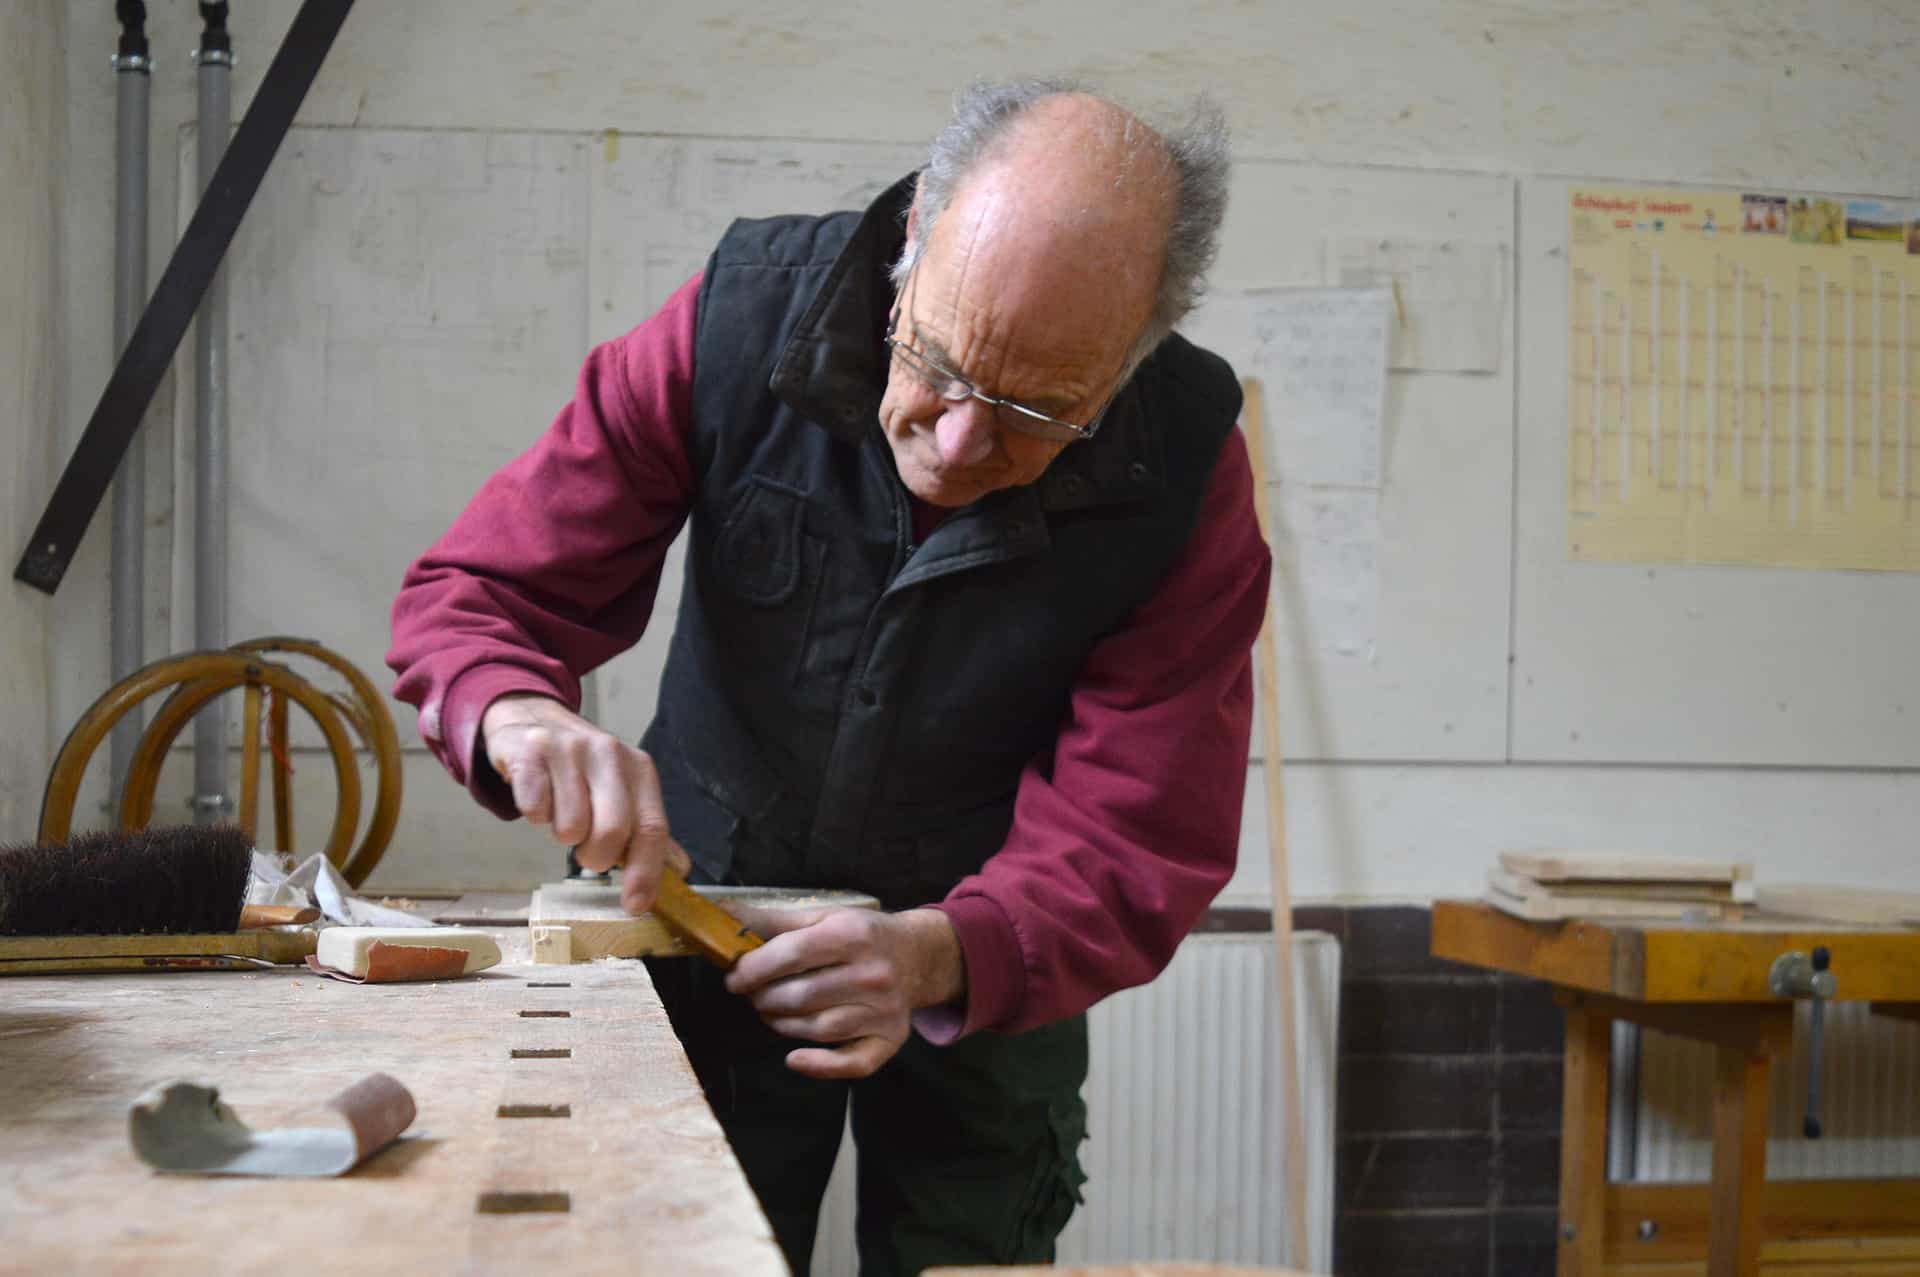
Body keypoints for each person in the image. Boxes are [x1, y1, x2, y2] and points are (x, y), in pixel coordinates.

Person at [388, 78, 1271, 1275]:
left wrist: (939, 952)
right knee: (683, 1247)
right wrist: (517, 710)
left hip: (992, 951)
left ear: (1133, 359)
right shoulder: (745, 323)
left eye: (1035, 407)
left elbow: (1140, 825)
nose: (957, 444)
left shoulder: (1183, 468)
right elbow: (481, 592)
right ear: (913, 240)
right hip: (691, 925)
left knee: (976, 1245)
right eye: (941, 364)